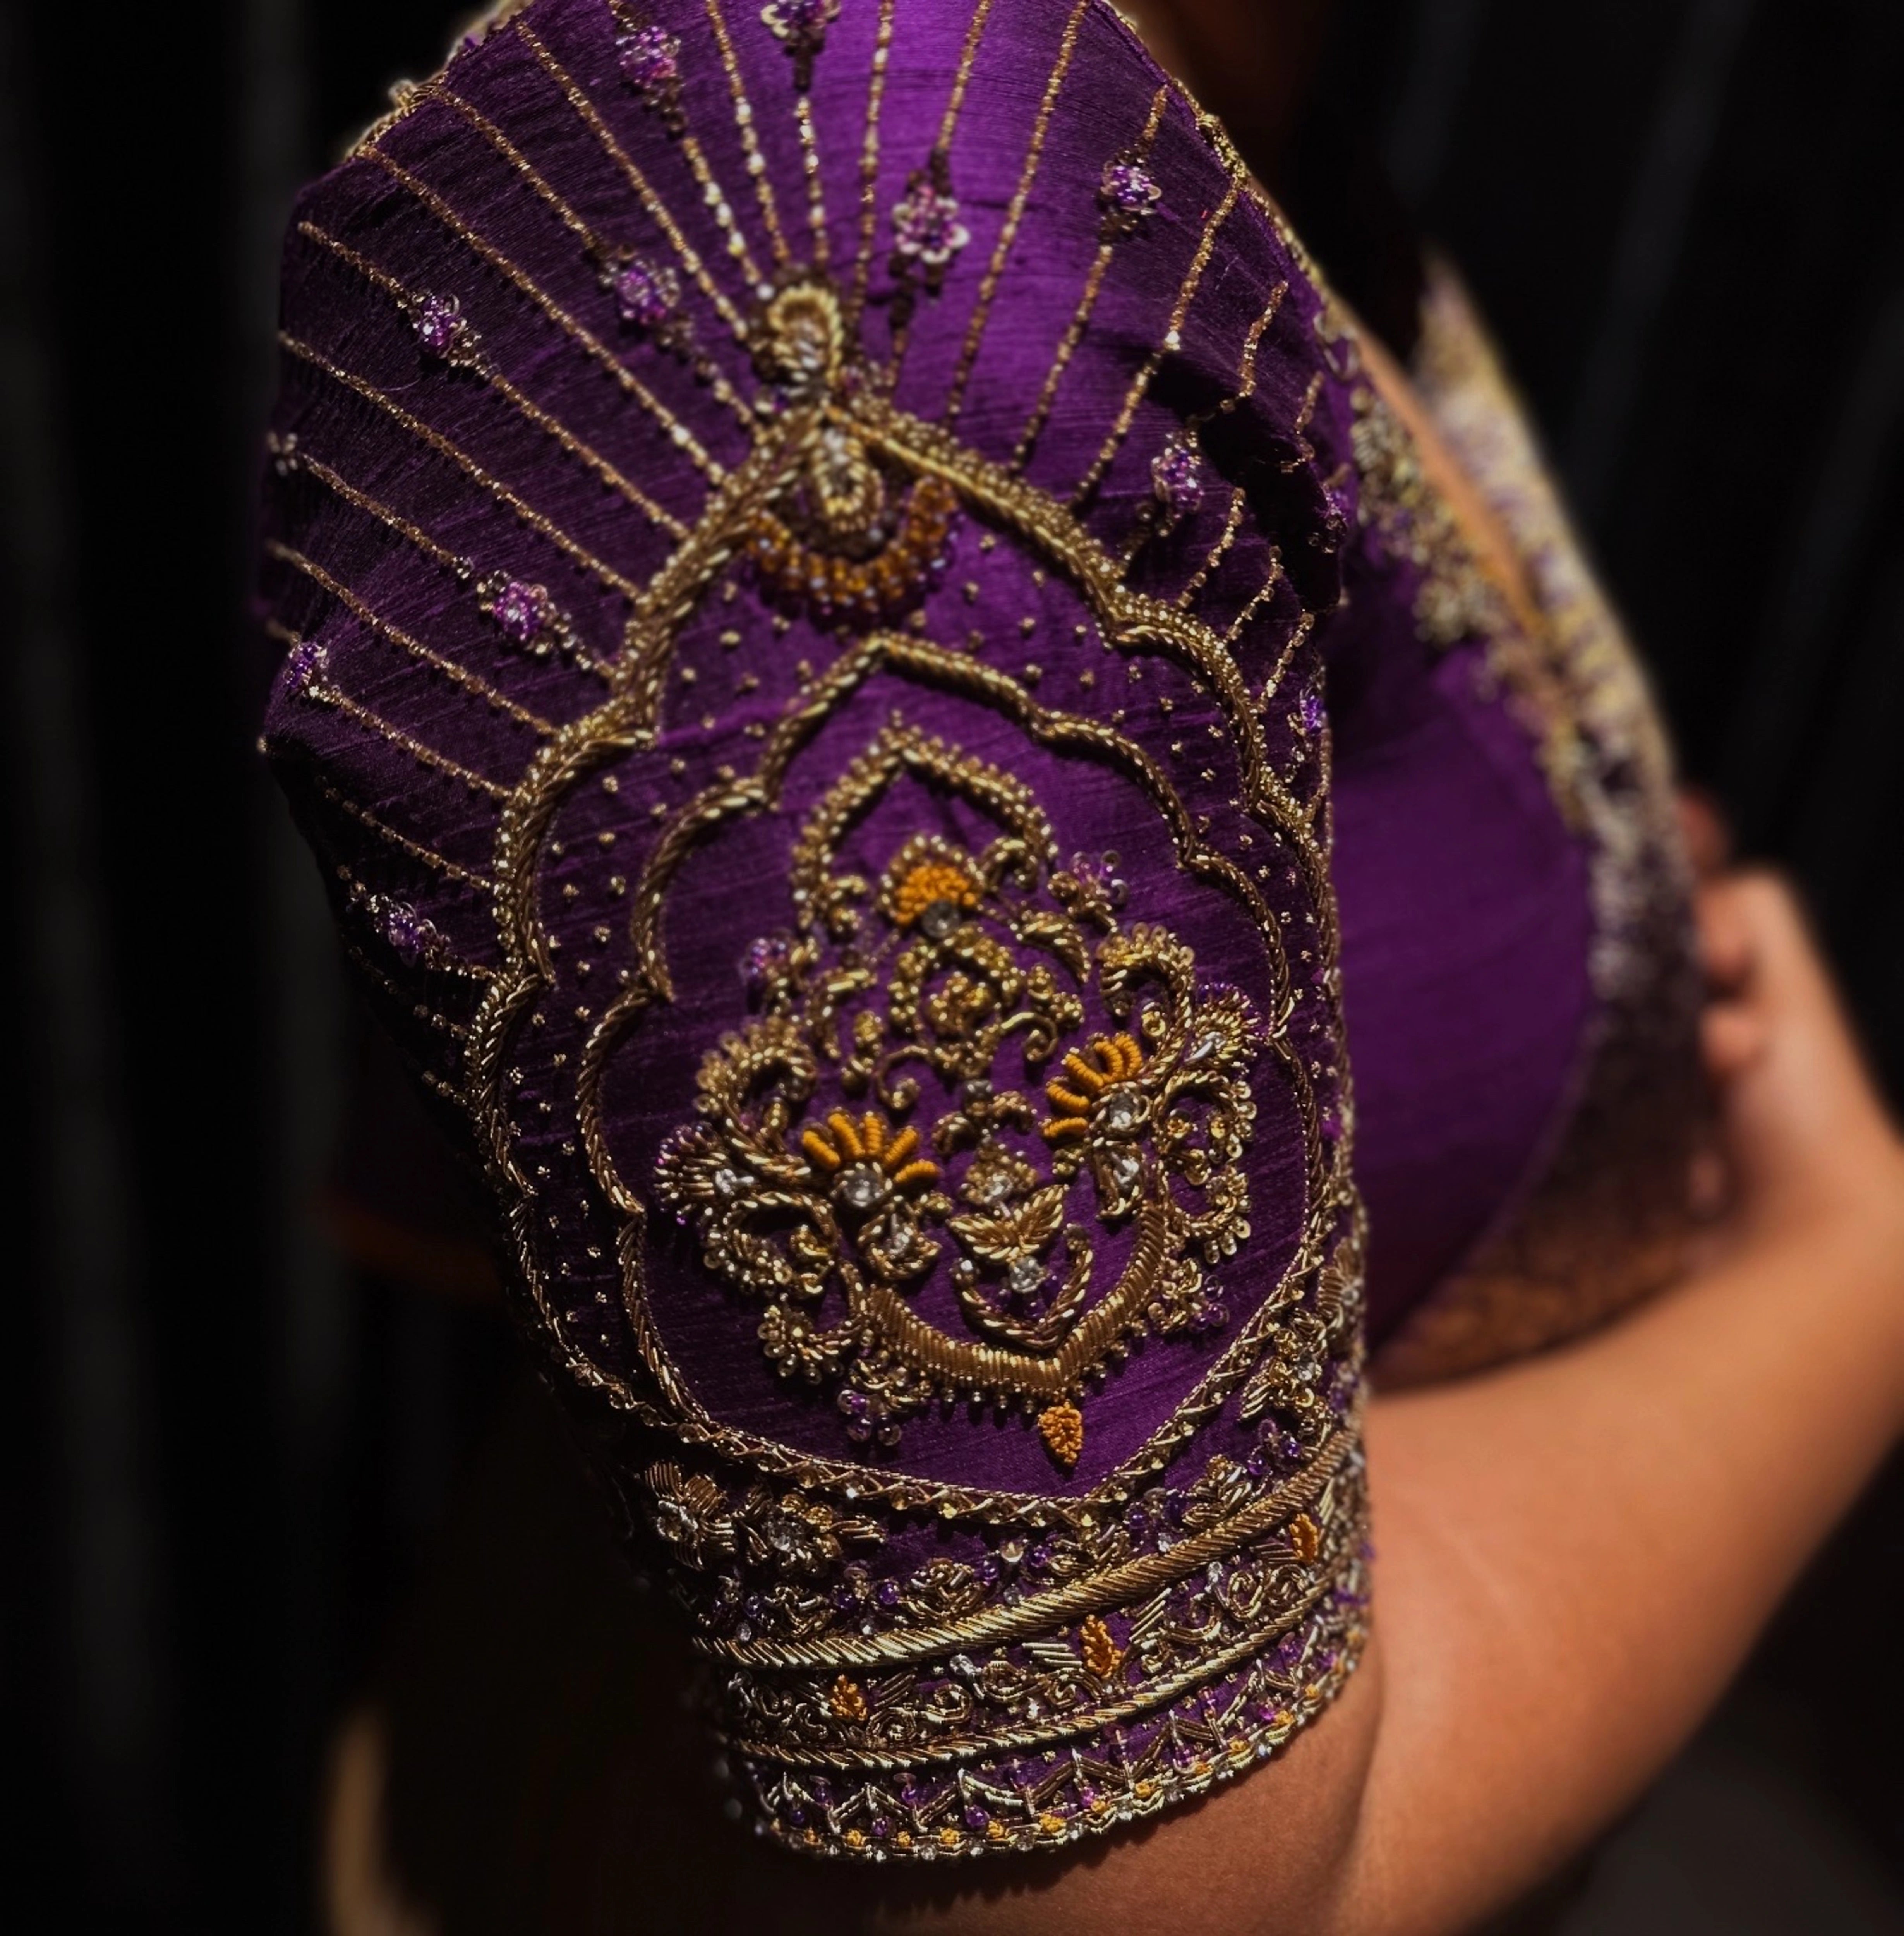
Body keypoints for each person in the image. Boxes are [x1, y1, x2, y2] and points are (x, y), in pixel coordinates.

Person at [261, 2, 1904, 1929]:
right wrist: (1852, 1264)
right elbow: (1203, 1900)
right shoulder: (840, 195)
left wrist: (1545, 920)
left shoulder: (1221, 71)